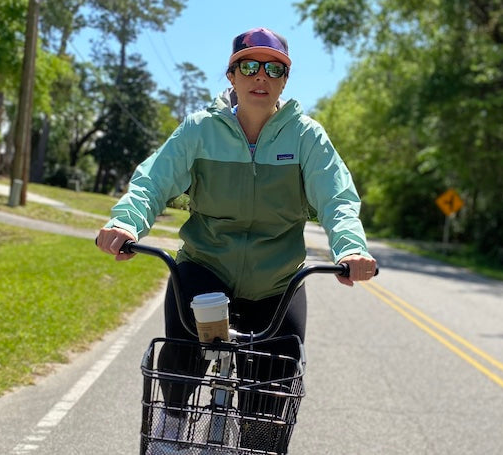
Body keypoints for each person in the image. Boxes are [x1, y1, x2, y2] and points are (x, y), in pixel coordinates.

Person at [97, 27, 376, 453]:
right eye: (248, 66)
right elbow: (152, 182)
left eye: (274, 68)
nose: (260, 76)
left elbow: (336, 197)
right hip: (207, 267)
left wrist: (351, 248)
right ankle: (169, 435)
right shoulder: (199, 130)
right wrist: (126, 225)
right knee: (180, 358)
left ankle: (254, 443)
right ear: (232, 75)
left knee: (273, 391)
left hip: (276, 282)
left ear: (285, 79)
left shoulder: (306, 137)